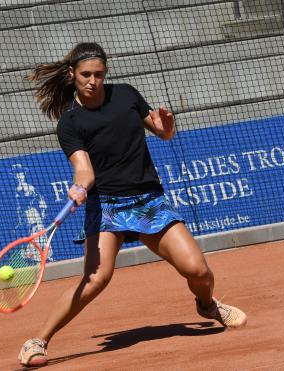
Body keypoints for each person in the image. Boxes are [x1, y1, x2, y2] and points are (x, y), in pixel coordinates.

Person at [19, 42, 247, 367]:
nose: (93, 81)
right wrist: (79, 187)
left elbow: (161, 132)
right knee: (96, 279)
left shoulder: (126, 95)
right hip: (107, 207)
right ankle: (37, 341)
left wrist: (166, 125)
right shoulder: (70, 123)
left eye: (99, 74)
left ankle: (207, 304)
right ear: (72, 74)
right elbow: (83, 169)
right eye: (86, 74)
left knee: (198, 270)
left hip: (148, 199)